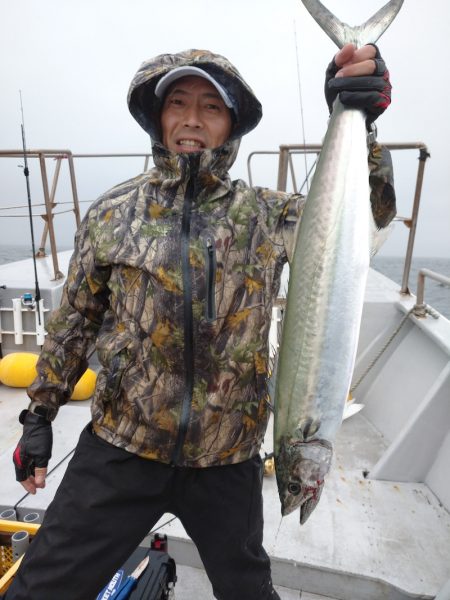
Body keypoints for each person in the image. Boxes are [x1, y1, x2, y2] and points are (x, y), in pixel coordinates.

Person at [5, 43, 395, 600]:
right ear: (156, 117)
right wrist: (39, 414)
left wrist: (364, 124)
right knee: (40, 590)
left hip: (227, 459)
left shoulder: (267, 214)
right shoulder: (113, 214)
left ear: (231, 125)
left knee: (248, 591)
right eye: (178, 103)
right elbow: (74, 323)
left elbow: (366, 220)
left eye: (211, 107)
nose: (192, 119)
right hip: (121, 448)